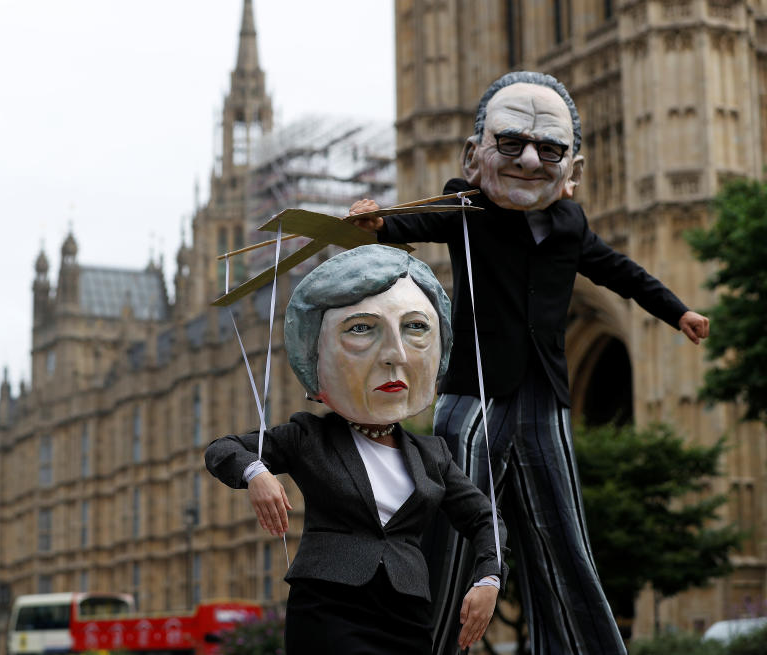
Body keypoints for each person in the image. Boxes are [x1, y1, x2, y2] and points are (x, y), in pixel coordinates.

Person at [349, 71, 710, 655]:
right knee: (453, 524)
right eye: (511, 144)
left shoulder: (571, 223)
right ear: (475, 156)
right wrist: (378, 222)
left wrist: (679, 312)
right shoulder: (467, 207)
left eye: (550, 149)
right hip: (476, 392)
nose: (530, 159)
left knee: (561, 534)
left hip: (544, 394)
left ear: (574, 171)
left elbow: (621, 272)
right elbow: (417, 221)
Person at [205, 244, 507, 654]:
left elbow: (485, 519)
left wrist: (489, 578)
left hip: (405, 614)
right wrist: (256, 473)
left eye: (415, 328)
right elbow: (222, 449)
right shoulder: (308, 437)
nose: (394, 356)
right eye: (362, 329)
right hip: (329, 609)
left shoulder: (432, 455)